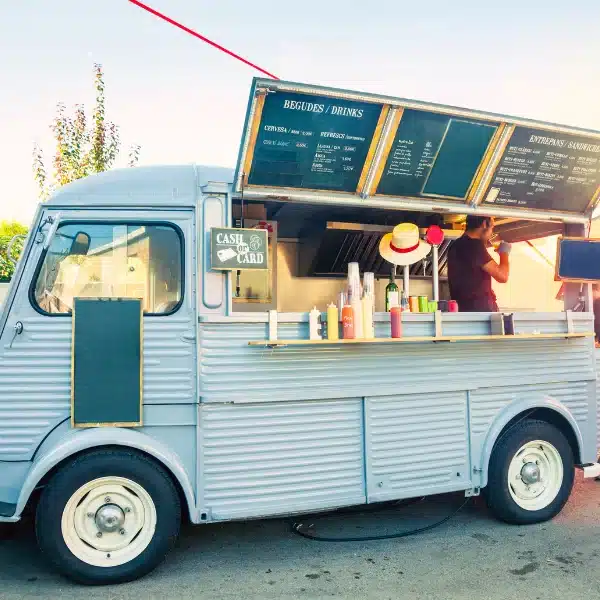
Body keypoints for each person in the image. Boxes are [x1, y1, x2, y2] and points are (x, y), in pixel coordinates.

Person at [447, 215, 511, 312]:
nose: (491, 233)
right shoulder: (474, 245)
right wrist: (504, 252)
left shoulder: (456, 245)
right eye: (492, 227)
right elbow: (502, 276)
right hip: (480, 314)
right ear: (484, 224)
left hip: (464, 312)